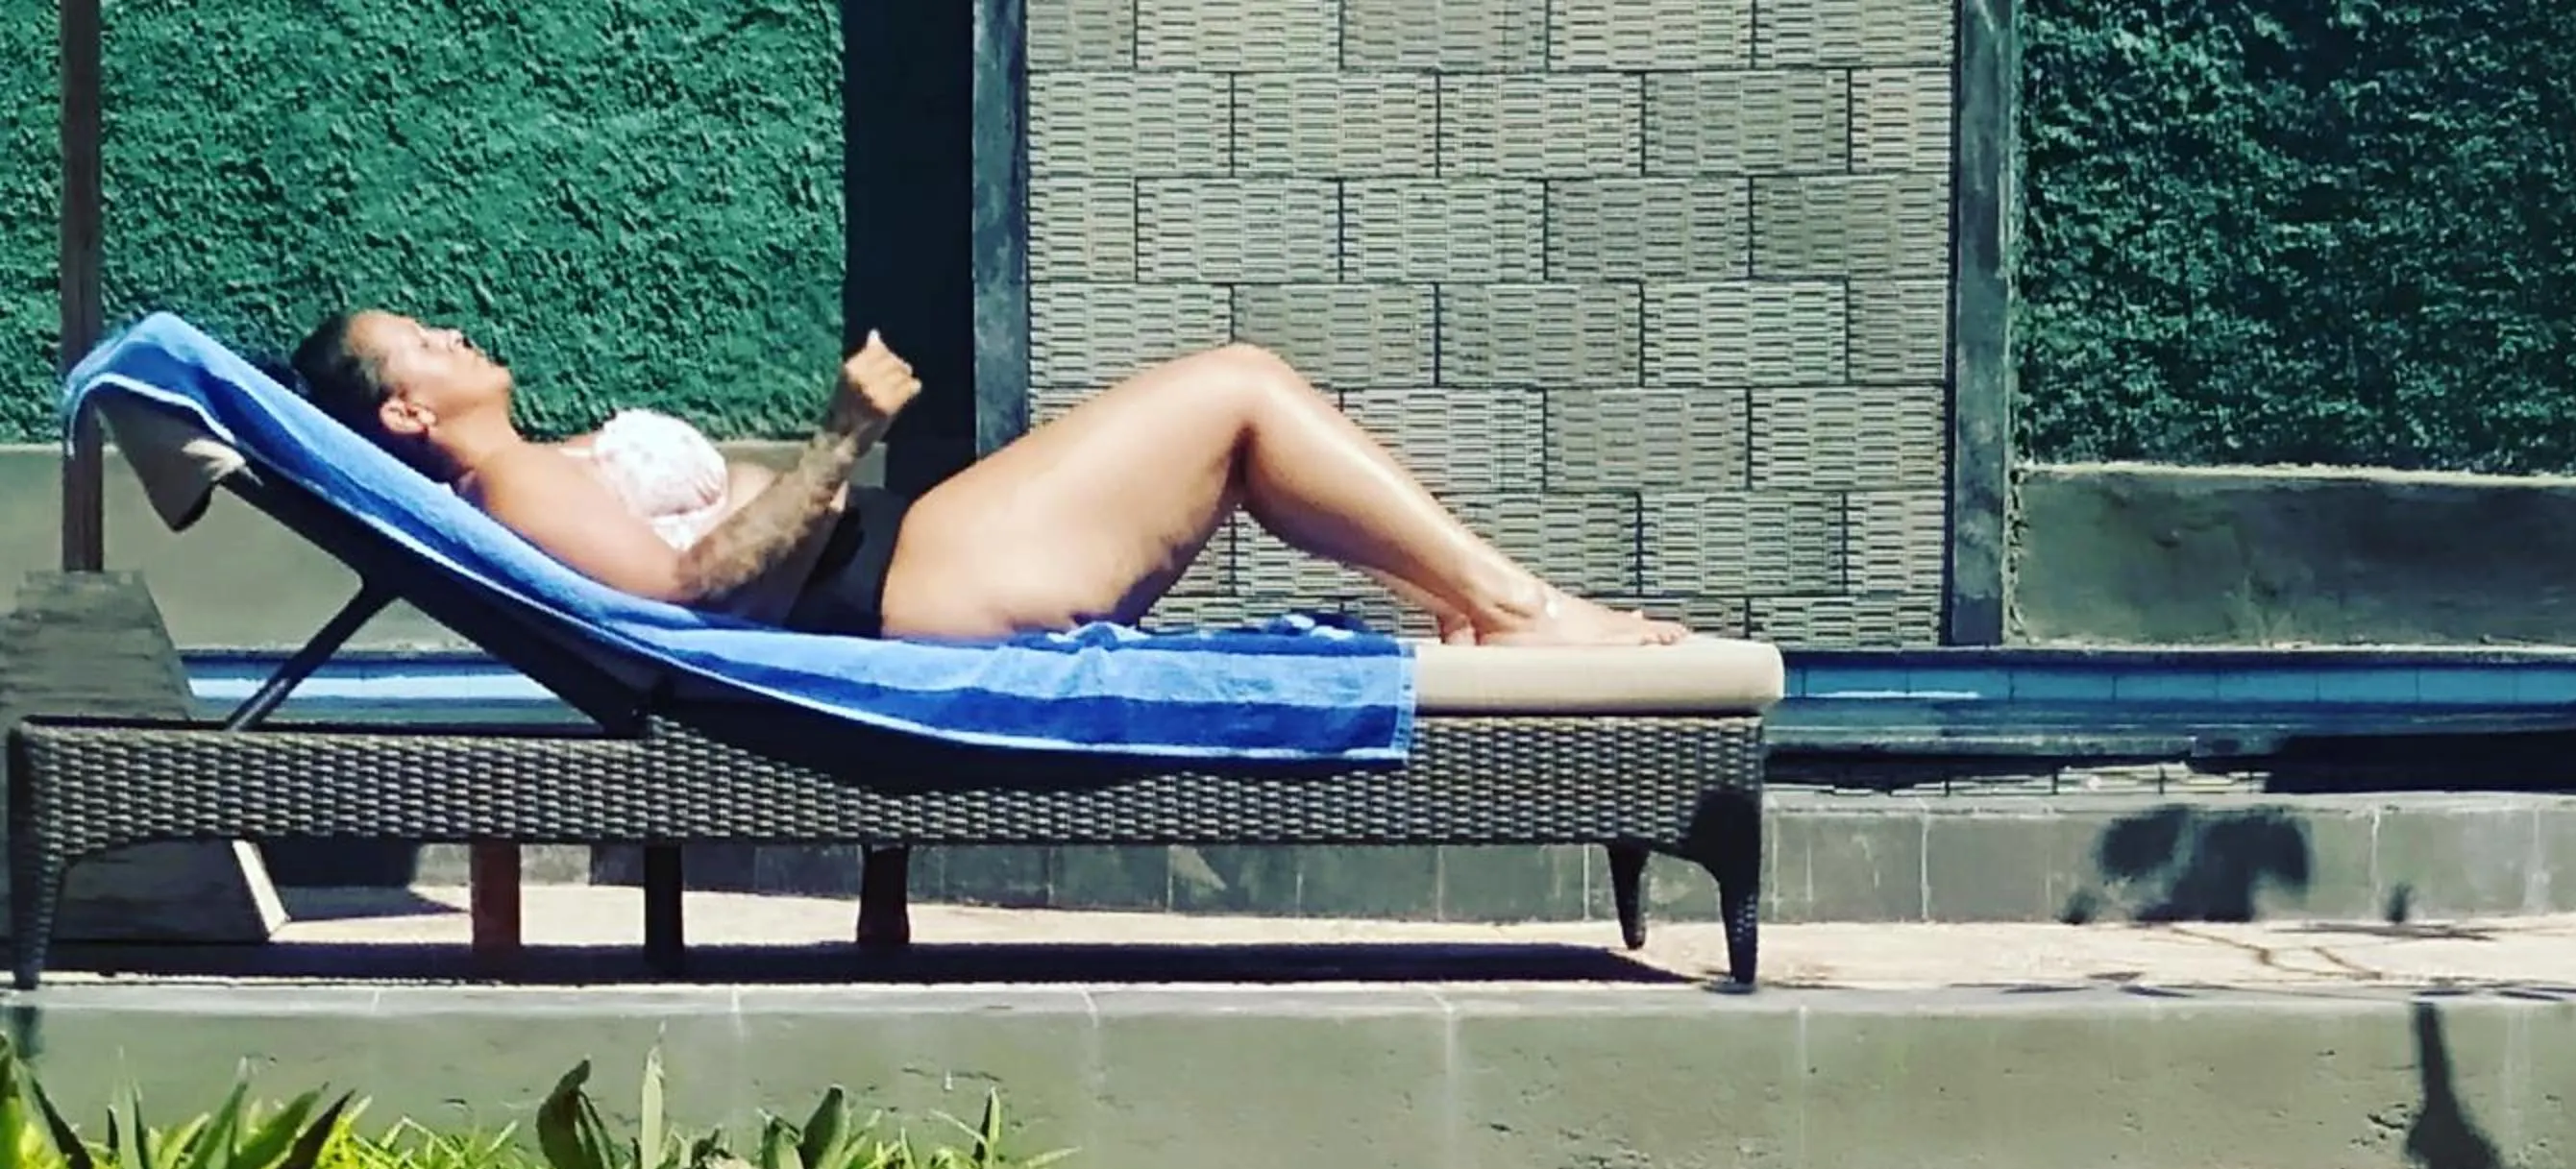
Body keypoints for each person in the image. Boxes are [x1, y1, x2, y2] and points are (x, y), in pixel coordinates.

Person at [289, 313, 1686, 649]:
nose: (455, 333)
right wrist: (841, 437)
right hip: (905, 585)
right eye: (422, 342)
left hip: (904, 561)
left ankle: (1492, 602)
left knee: (1236, 407)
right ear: (407, 409)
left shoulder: (525, 476)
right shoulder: (512, 494)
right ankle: (1515, 608)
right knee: (1239, 393)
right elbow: (690, 590)